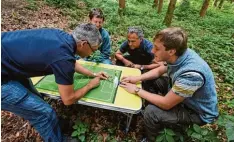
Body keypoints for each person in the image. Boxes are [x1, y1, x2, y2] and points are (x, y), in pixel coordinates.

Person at [1, 23, 108, 142]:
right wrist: (90, 85)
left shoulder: (62, 36)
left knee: (37, 98)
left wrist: (92, 74)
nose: (92, 53)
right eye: (93, 50)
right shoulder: (63, 59)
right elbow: (68, 99)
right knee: (43, 113)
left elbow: (70, 61)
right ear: (83, 44)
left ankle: (55, 124)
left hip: (7, 65)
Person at [119, 27, 219, 141]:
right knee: (148, 79)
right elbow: (159, 70)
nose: (152, 51)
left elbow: (166, 104)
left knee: (151, 112)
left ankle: (152, 138)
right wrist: (136, 78)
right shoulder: (179, 54)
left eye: (157, 48)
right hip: (181, 93)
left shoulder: (191, 74)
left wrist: (137, 90)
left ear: (171, 51)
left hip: (196, 112)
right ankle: (152, 112)